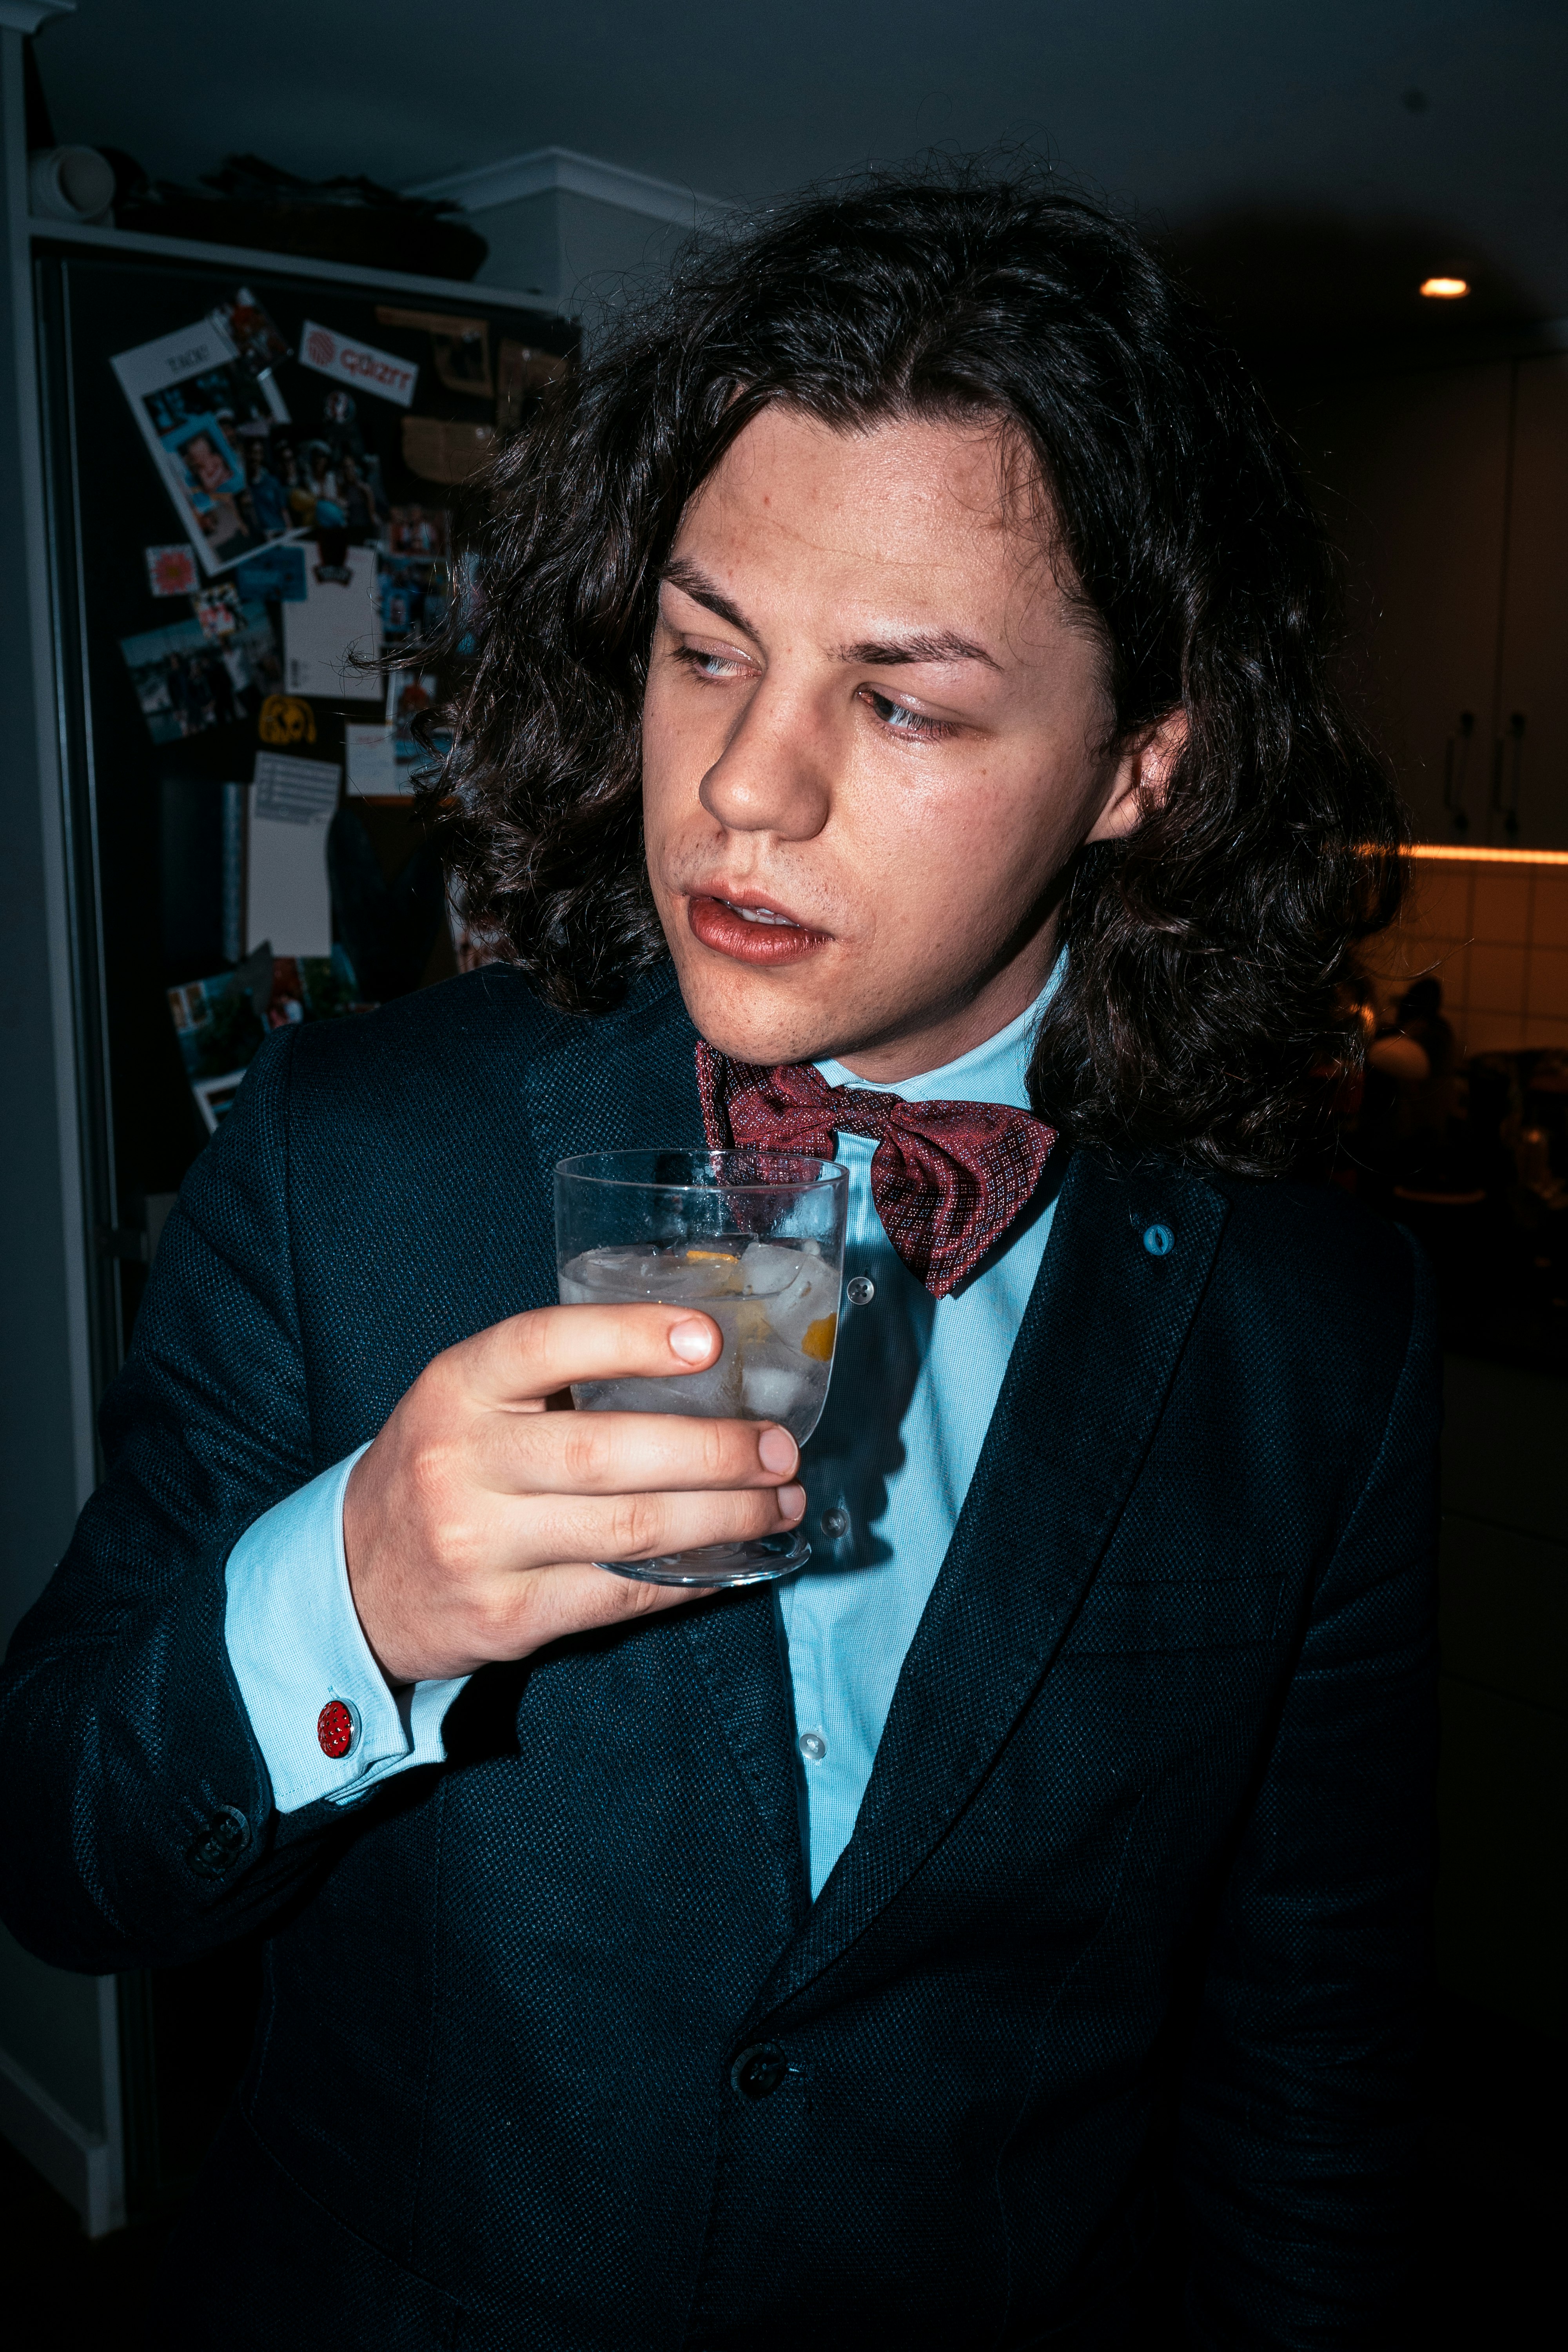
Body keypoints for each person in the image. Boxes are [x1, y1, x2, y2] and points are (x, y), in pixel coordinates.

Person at [0, 175, 1433, 2349]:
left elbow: (1309, 2077)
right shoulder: (346, 1154)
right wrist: (356, 1591)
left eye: (906, 704)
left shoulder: (1320, 1332)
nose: (743, 791)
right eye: (705, 650)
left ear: (1144, 763)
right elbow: (59, 1851)